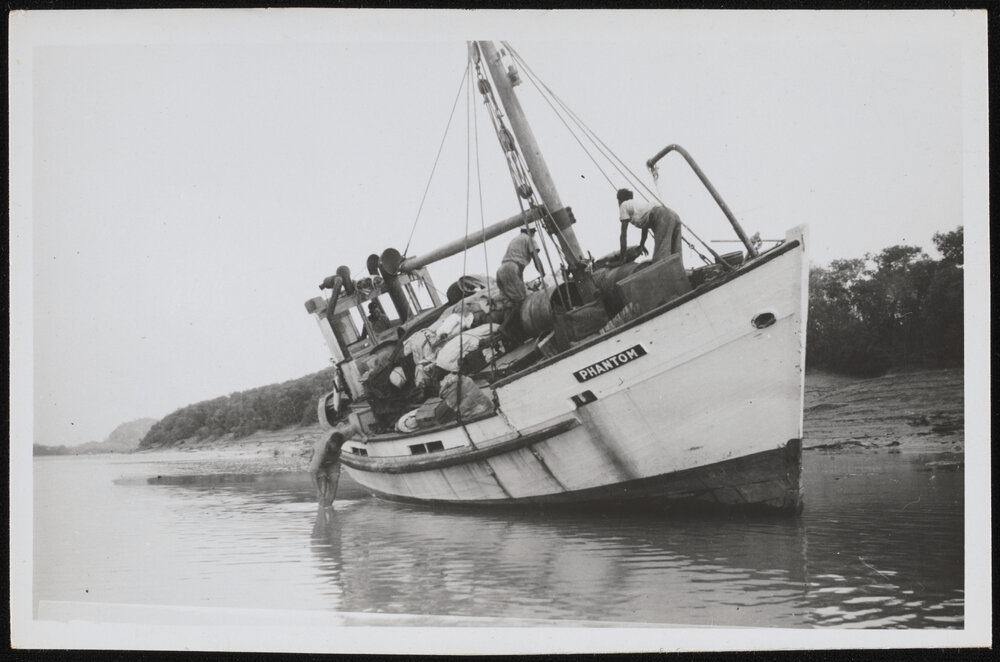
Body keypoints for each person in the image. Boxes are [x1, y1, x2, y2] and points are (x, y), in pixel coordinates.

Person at [616, 188, 682, 264]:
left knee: (661, 257)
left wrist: (621, 259)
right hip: (673, 215)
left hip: (661, 216)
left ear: (619, 200)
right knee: (676, 252)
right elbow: (645, 228)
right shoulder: (638, 206)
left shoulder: (623, 205)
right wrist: (642, 245)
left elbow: (623, 234)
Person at [308, 422, 359, 507]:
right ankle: (321, 509)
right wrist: (318, 492)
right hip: (320, 464)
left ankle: (328, 507)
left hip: (334, 461)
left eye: (336, 448)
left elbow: (355, 426)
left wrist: (364, 436)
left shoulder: (343, 436)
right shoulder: (320, 449)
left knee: (334, 481)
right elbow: (312, 472)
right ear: (330, 442)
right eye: (333, 447)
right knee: (323, 485)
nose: (334, 449)